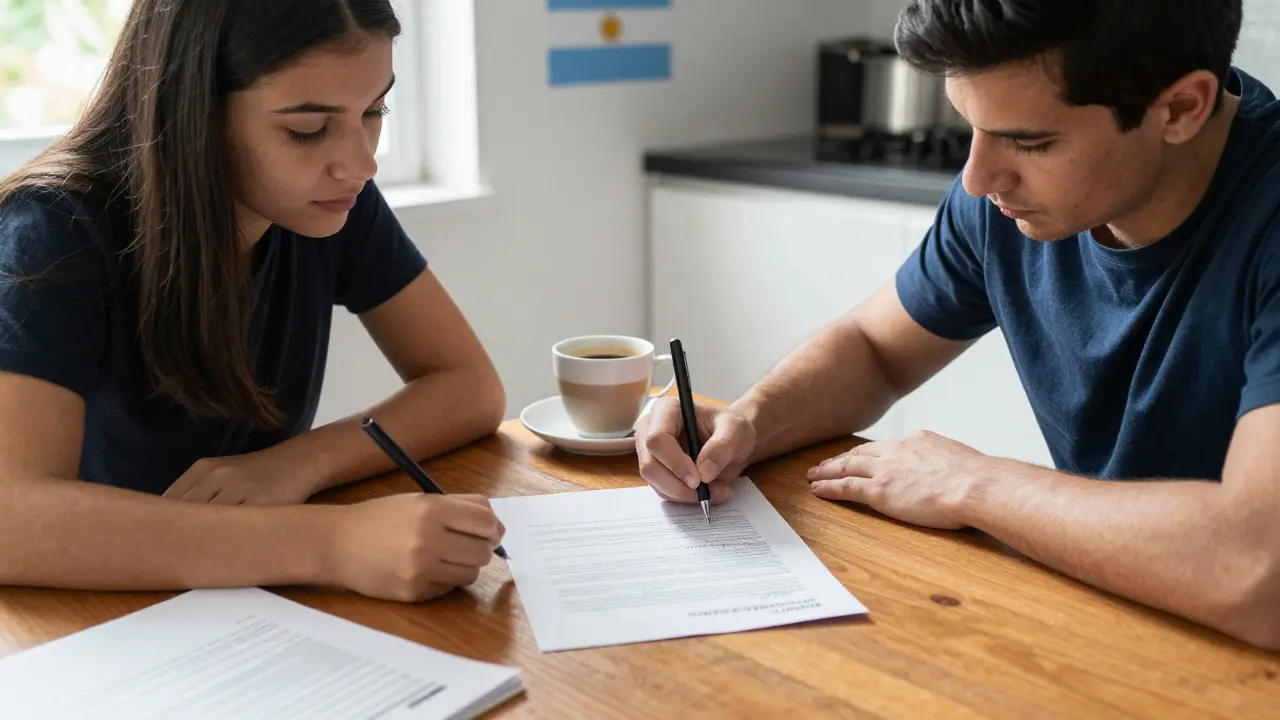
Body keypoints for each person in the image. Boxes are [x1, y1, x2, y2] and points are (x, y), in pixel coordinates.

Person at [636, 0, 1280, 650]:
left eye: (1030, 142)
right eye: (969, 125)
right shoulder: (1008, 201)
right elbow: (874, 349)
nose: (977, 180)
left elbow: (1258, 570)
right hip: (1116, 617)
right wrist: (747, 423)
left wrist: (974, 484)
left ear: (1180, 109)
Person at [0, 0, 507, 602]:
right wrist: (334, 543)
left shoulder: (332, 202)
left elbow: (469, 386)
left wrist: (298, 463)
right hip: (94, 611)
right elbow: (12, 519)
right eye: (307, 129)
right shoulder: (53, 230)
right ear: (193, 111)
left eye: (375, 110)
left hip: (247, 605)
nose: (362, 163)